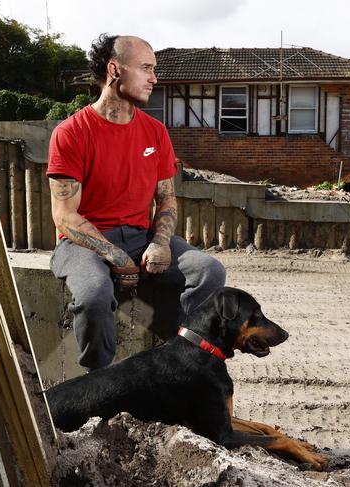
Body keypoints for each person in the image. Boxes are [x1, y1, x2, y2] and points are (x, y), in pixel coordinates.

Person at [47, 34, 226, 371]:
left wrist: (160, 242)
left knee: (209, 271)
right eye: (145, 68)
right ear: (115, 70)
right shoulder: (71, 132)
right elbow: (64, 216)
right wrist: (115, 256)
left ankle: (186, 360)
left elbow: (167, 197)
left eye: (153, 69)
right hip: (81, 243)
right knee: (94, 297)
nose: (154, 78)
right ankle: (98, 380)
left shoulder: (155, 132)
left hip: (141, 236)